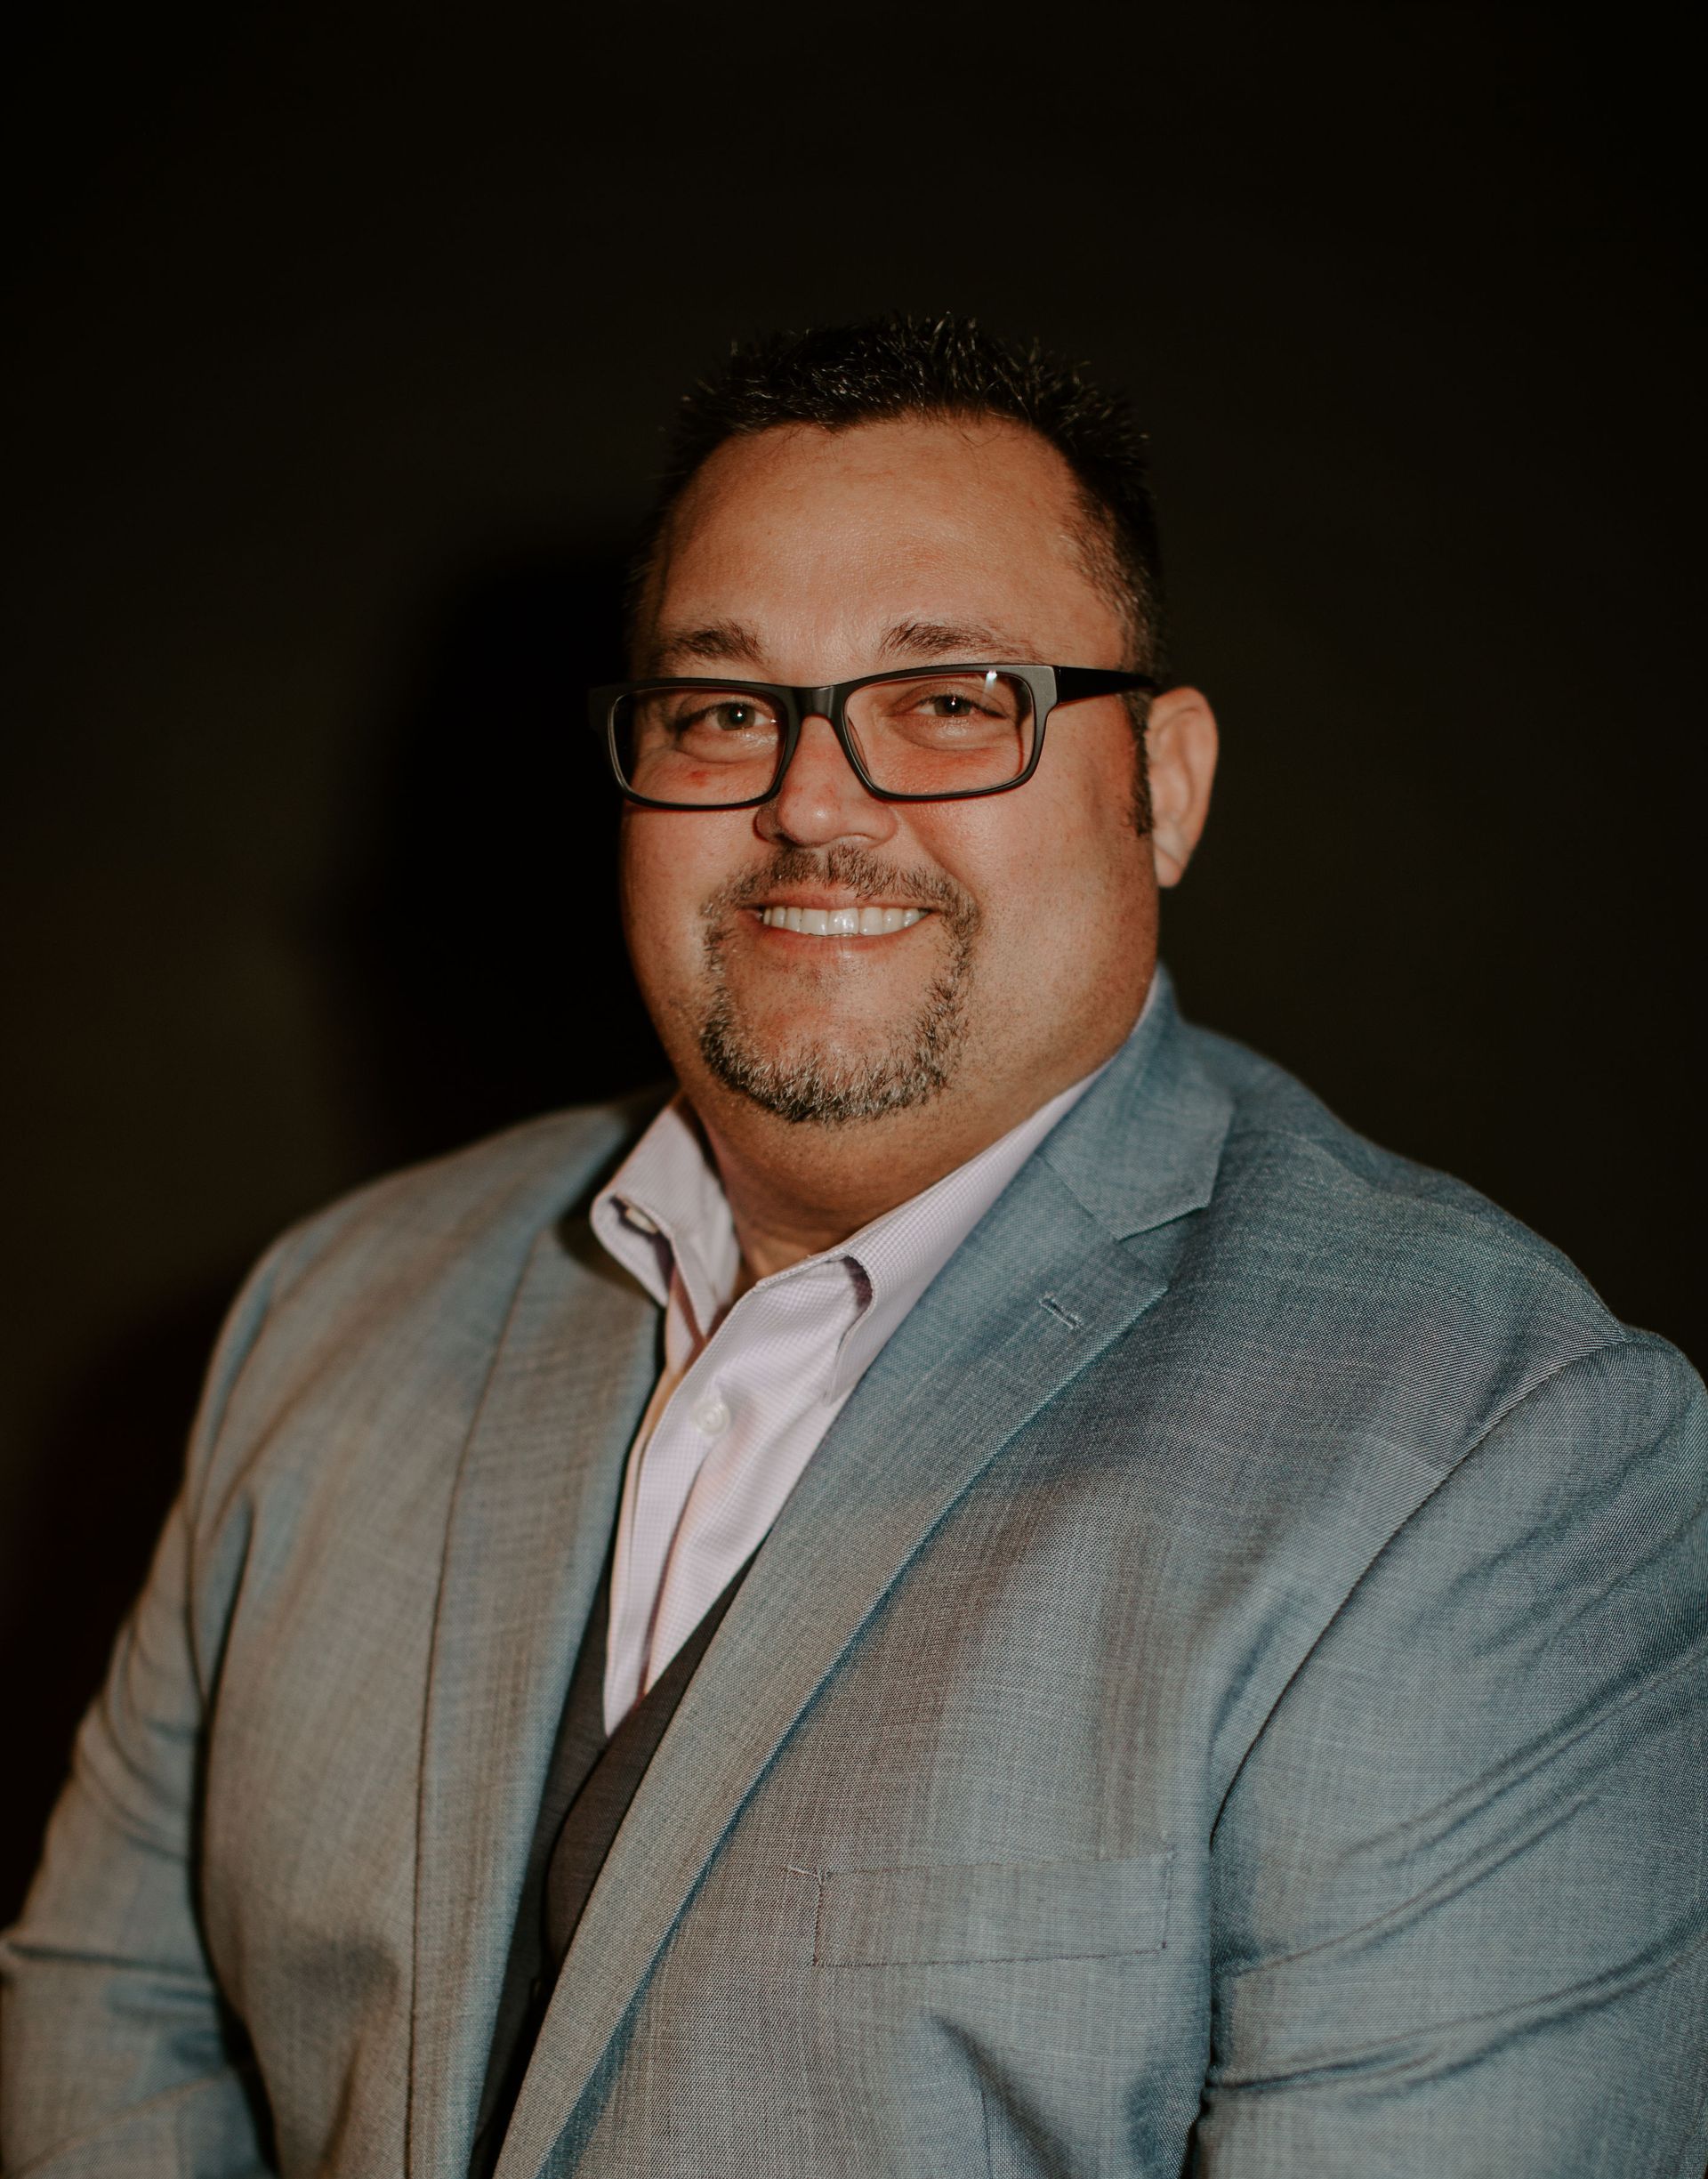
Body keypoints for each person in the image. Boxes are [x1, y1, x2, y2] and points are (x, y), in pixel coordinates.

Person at [3, 315, 1704, 2179]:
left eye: (953, 698)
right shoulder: (328, 1312)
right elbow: (119, 2001)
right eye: (724, 708)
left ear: (1169, 783)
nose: (812, 798)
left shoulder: (1501, 1457)